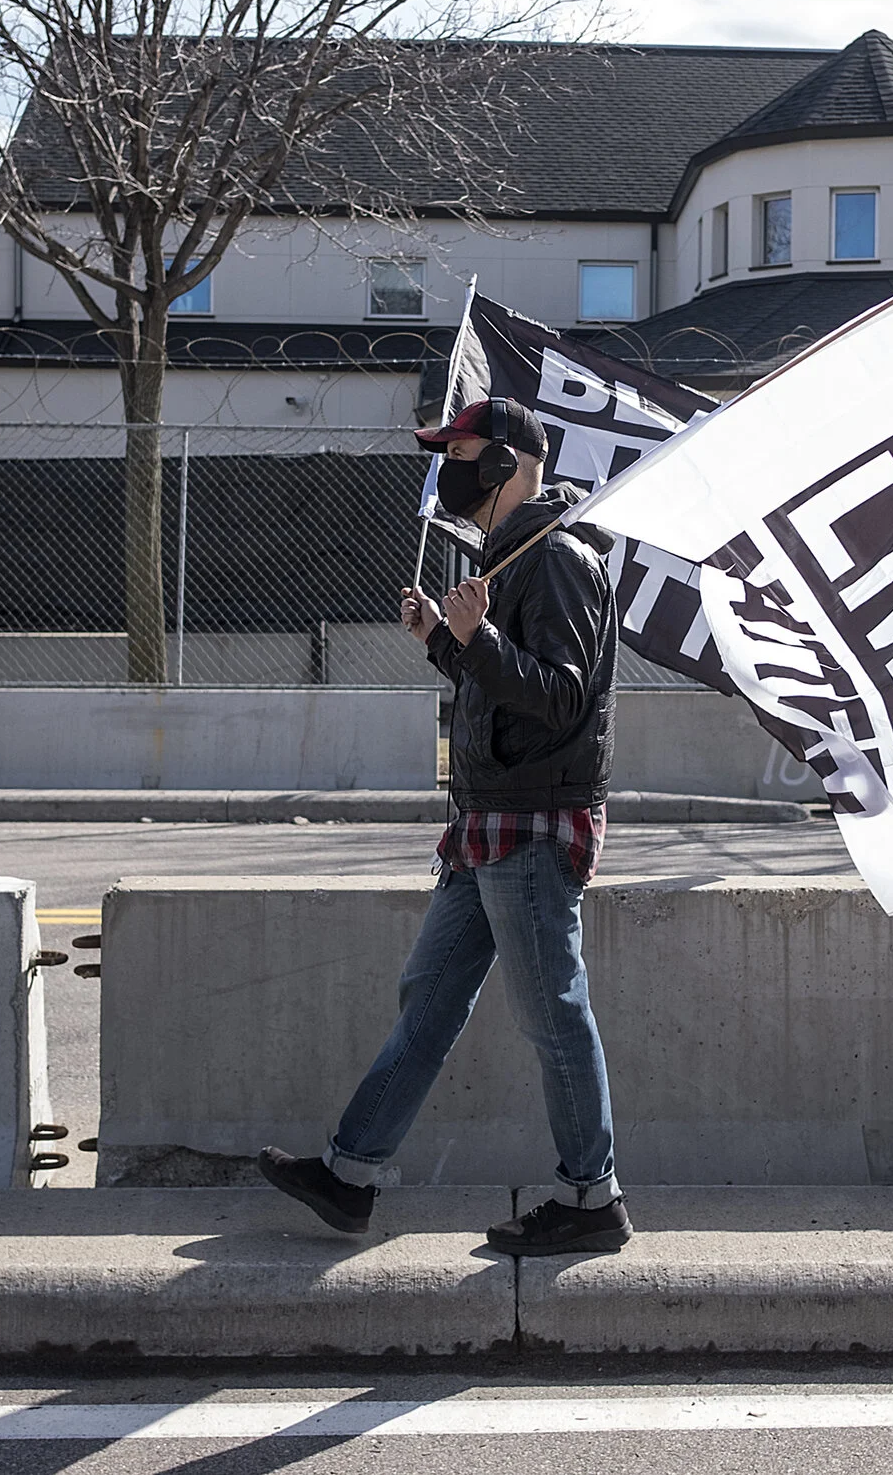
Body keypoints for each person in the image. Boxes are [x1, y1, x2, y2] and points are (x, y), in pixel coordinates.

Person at [257, 396, 630, 1257]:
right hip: (486, 825)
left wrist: (481, 640)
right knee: (430, 999)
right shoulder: (507, 557)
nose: (446, 467)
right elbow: (503, 689)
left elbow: (564, 696)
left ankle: (591, 1199)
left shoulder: (561, 557)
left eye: (459, 452)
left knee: (553, 1014)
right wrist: (444, 639)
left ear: (505, 463)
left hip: (532, 825)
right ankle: (350, 1177)